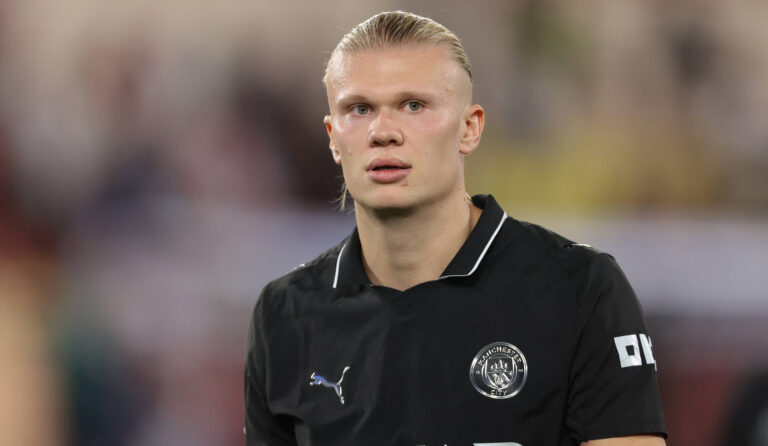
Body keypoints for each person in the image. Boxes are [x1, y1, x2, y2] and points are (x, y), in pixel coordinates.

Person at [245, 11, 667, 446]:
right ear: (333, 137)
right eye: (359, 109)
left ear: (470, 128)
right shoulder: (284, 314)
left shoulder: (581, 289)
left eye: (414, 105)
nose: (383, 131)